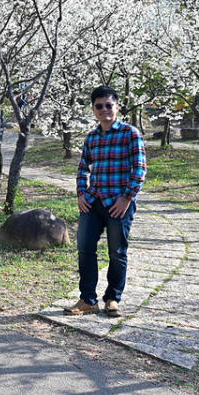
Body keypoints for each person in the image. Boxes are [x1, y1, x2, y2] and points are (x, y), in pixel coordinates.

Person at [64, 86, 146, 318]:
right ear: (93, 109)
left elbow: (139, 169)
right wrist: (81, 193)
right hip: (93, 201)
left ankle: (112, 299)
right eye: (99, 106)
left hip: (118, 204)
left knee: (117, 252)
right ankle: (88, 300)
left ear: (117, 107)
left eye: (108, 105)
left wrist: (127, 198)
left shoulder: (130, 134)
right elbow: (83, 167)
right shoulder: (92, 137)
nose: (104, 110)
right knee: (85, 249)